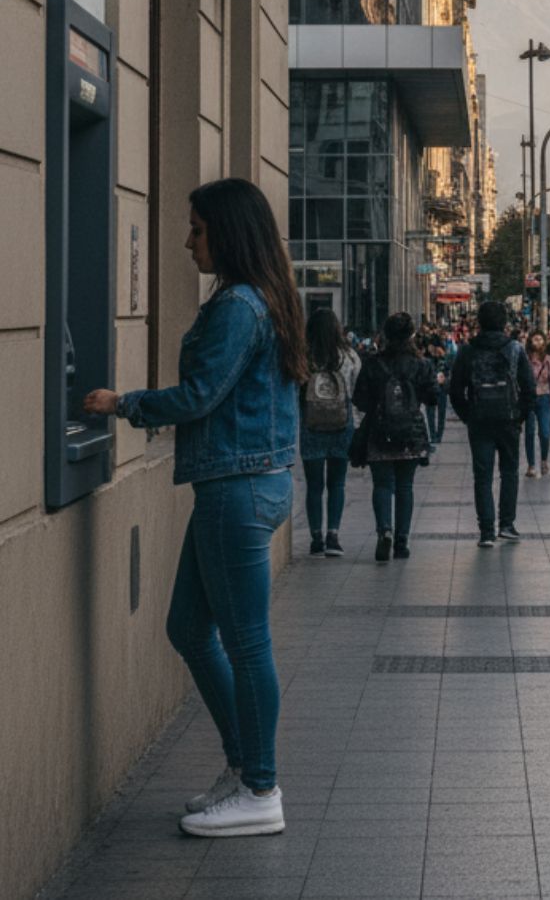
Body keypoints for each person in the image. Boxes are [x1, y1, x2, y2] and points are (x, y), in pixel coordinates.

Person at [83, 178, 306, 837]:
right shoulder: (264, 299)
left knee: (246, 639)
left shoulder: (240, 305)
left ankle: (261, 788)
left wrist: (123, 403)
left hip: (237, 486)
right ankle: (246, 769)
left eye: (198, 229)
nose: (187, 241)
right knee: (187, 627)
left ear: (228, 234)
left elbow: (200, 395)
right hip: (242, 481)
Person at [352, 313, 437, 561]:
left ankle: (384, 531)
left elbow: (360, 399)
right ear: (411, 335)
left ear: (385, 335)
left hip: (379, 432)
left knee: (382, 485)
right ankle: (402, 541)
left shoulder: (373, 363)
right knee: (405, 486)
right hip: (411, 433)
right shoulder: (420, 364)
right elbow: (433, 396)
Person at [449, 300, 535, 546]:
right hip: (508, 419)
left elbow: (455, 390)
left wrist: (469, 415)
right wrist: (519, 416)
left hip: (479, 420)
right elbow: (528, 388)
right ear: (504, 322)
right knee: (509, 472)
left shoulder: (467, 350)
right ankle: (507, 524)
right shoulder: (515, 349)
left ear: (480, 322)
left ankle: (486, 531)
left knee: (482, 476)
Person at [300, 308, 362, 558]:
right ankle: (333, 536)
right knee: (337, 483)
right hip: (341, 424)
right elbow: (356, 390)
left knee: (314, 485)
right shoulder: (349, 356)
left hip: (311, 425)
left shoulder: (304, 356)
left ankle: (316, 537)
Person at [523, 330, 550, 476]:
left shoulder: (548, 360)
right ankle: (531, 465)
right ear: (530, 342)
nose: (538, 342)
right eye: (535, 339)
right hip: (529, 399)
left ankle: (544, 460)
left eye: (540, 340)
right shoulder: (525, 359)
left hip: (544, 398)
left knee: (545, 432)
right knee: (529, 432)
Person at [424, 338, 451, 449]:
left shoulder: (444, 359)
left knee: (441, 413)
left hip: (441, 388)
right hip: (431, 389)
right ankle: (433, 435)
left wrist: (445, 379)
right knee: (431, 413)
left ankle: (438, 435)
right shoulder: (426, 359)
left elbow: (449, 372)